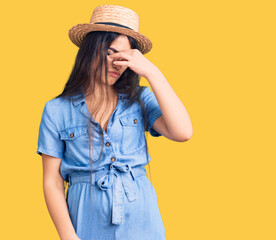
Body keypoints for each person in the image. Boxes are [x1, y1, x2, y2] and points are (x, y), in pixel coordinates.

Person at [36, 4, 193, 240]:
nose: (116, 64)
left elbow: (183, 132)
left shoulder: (140, 99)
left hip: (142, 220)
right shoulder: (56, 110)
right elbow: (52, 182)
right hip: (85, 221)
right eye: (109, 52)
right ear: (89, 51)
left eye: (125, 57)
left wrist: (152, 72)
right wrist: (69, 237)